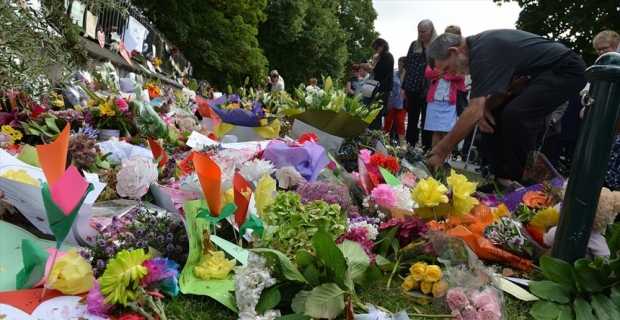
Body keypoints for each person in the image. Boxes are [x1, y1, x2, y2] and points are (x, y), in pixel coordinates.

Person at [425, 30, 587, 193]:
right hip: (540, 75)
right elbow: (503, 93)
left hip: (567, 69)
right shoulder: (481, 50)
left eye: (447, 68)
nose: (450, 74)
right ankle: (503, 181)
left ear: (454, 51)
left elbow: (473, 111)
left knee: (516, 115)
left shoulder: (484, 54)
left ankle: (536, 188)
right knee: (493, 114)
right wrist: (486, 107)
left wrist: (440, 152)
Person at [401, 19, 438, 150]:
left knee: (427, 120)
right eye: (418, 31)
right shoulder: (414, 45)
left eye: (423, 32)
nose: (420, 34)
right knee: (412, 118)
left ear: (431, 31)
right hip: (412, 86)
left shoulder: (436, 46)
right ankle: (410, 146)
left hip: (428, 88)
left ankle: (426, 148)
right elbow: (407, 65)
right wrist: (403, 86)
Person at [423, 63, 466, 150]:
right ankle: (434, 157)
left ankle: (446, 160)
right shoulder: (436, 58)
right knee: (436, 131)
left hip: (450, 101)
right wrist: (448, 72)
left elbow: (461, 75)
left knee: (447, 131)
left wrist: (443, 75)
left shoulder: (456, 59)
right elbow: (428, 73)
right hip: (434, 99)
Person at [367, 38, 394, 131]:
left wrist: (372, 68)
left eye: (376, 48)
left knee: (376, 115)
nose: (376, 50)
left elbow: (383, 71)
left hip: (382, 89)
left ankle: (374, 134)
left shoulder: (387, 57)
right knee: (374, 115)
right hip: (379, 89)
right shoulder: (384, 57)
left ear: (382, 46)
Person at [384, 56, 407, 148]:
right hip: (392, 102)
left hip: (402, 104)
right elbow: (388, 86)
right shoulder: (393, 74)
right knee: (388, 121)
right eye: (399, 62)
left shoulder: (408, 76)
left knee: (401, 123)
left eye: (402, 63)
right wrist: (388, 100)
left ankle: (401, 145)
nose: (400, 64)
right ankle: (384, 142)